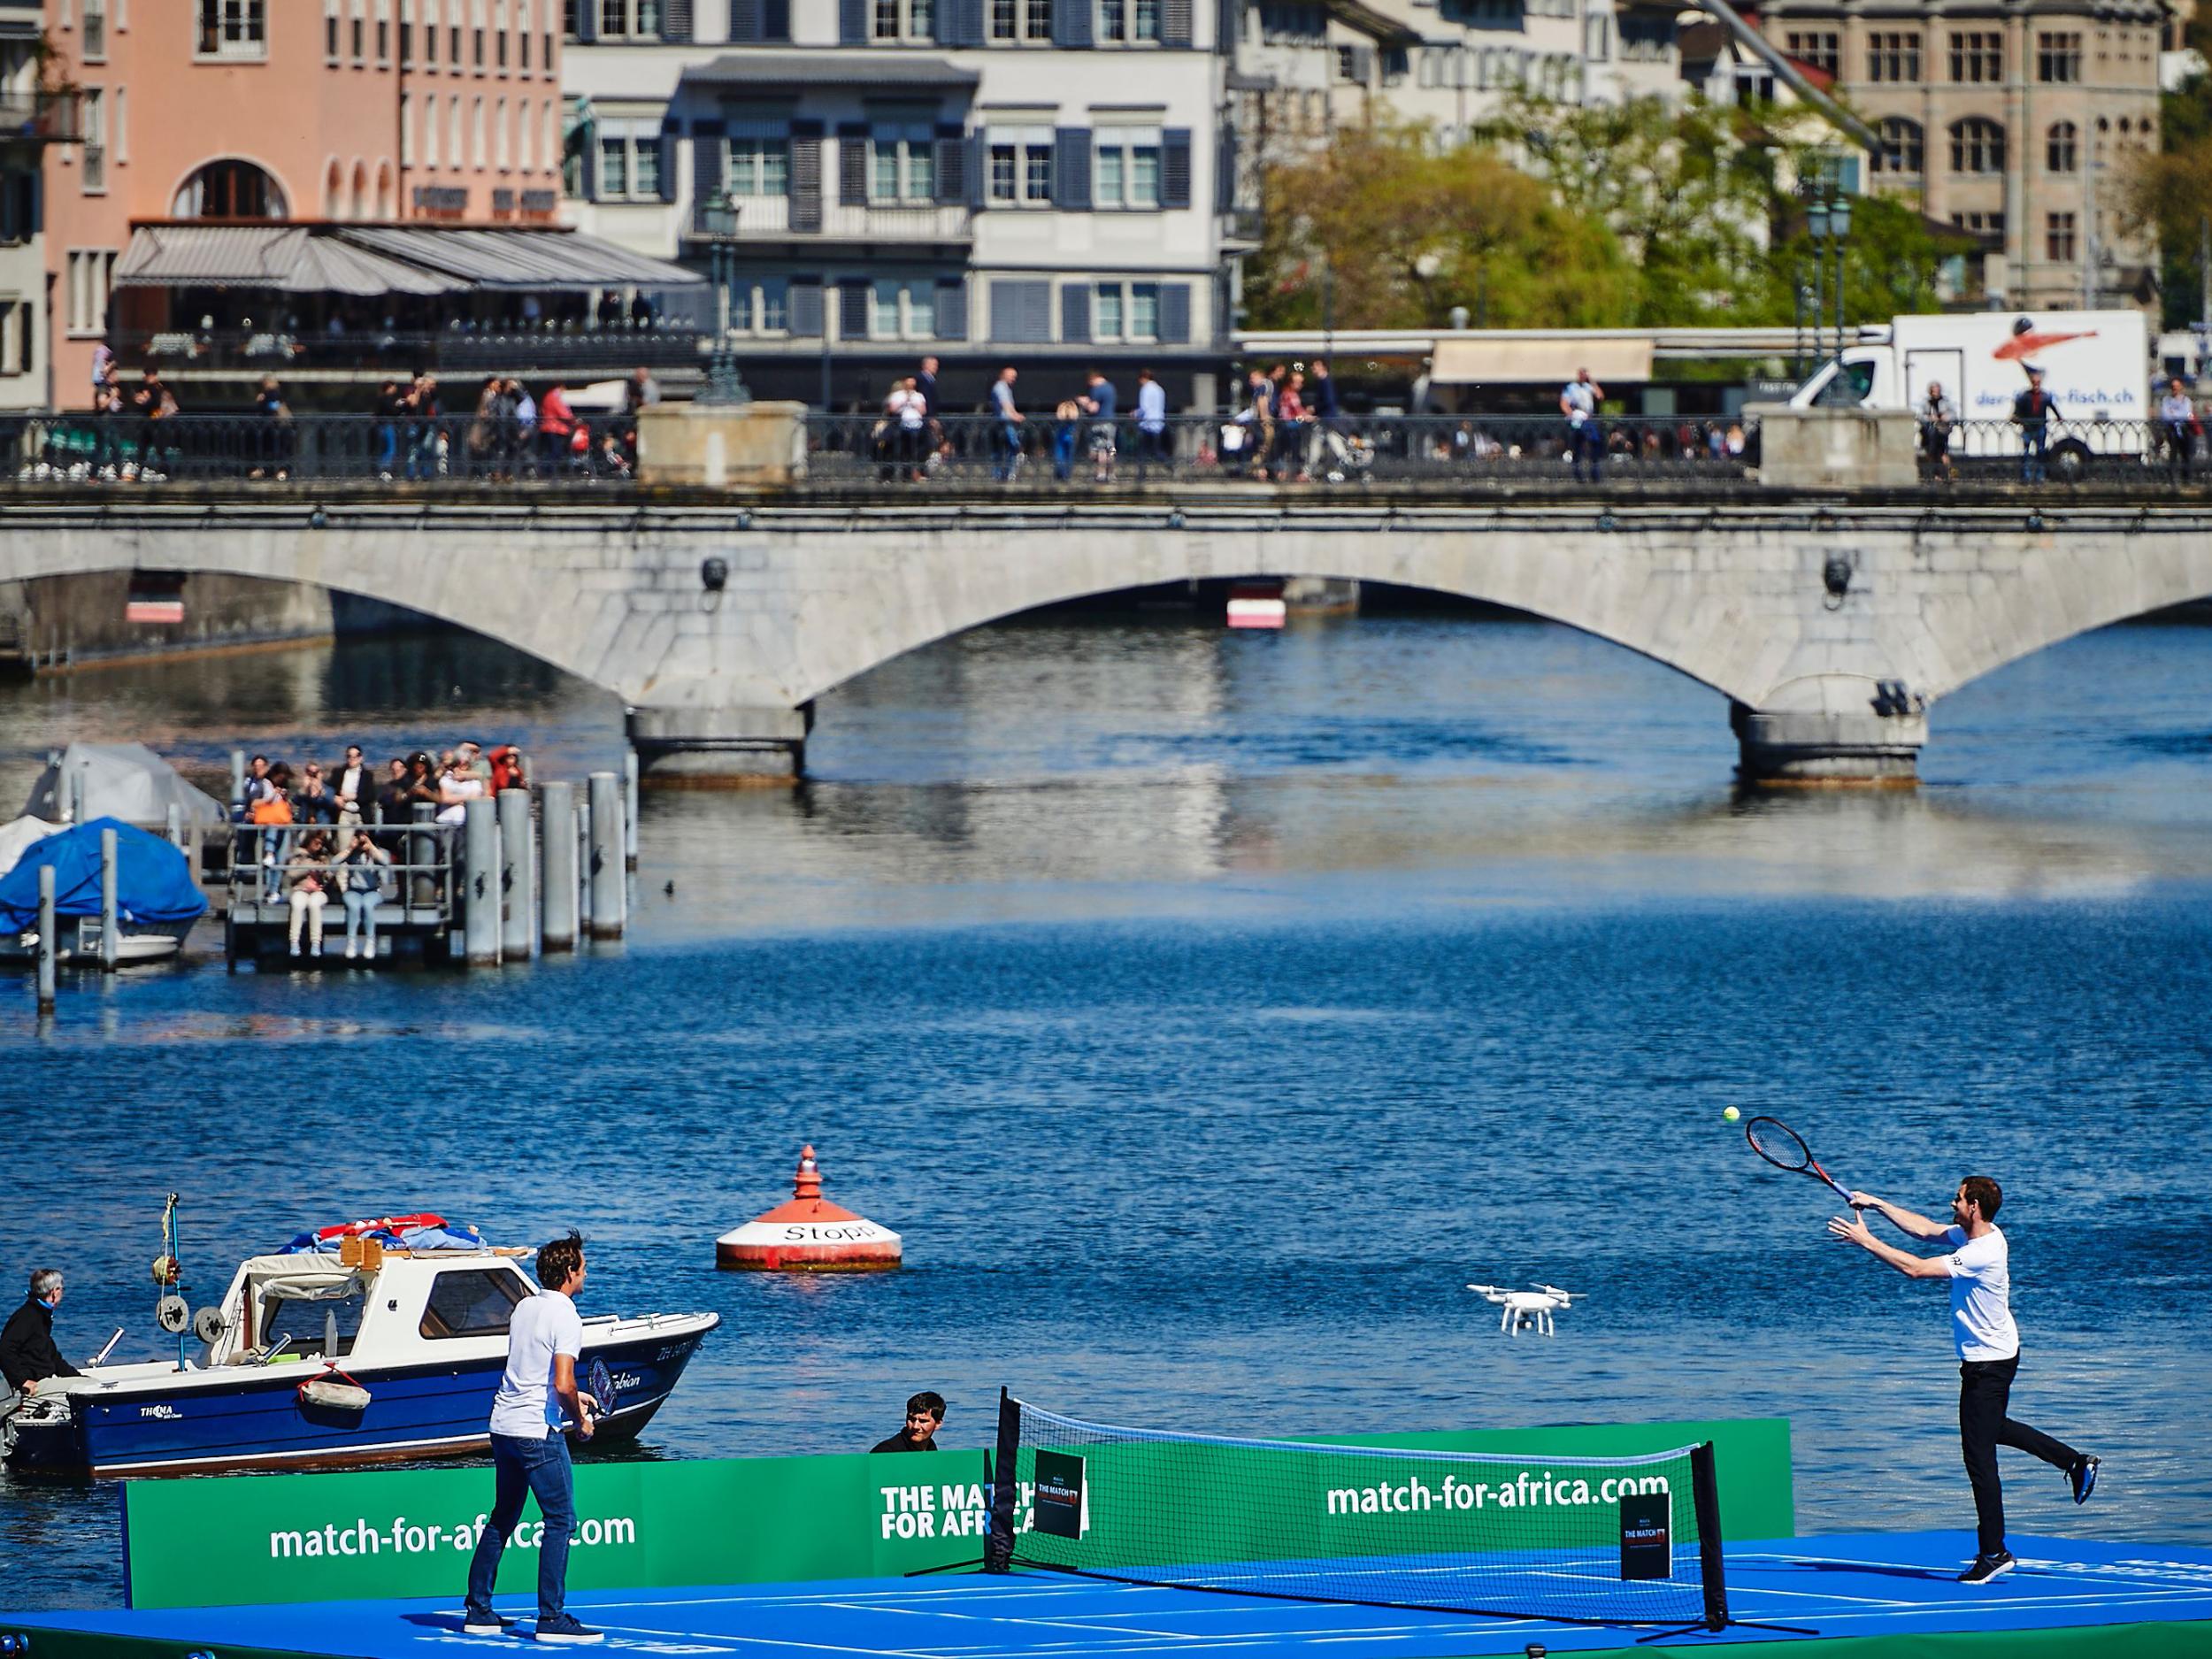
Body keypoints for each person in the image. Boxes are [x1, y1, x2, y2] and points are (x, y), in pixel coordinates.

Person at [1828, 1175, 2098, 1585]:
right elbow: (1925, 1230)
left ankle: (1993, 1551)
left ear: (1974, 1207)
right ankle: (2075, 1462)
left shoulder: (1982, 1252)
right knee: (1994, 1429)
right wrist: (1877, 1204)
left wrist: (1866, 1240)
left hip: (1987, 1365)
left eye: (1957, 1199)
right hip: (1998, 1355)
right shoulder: (1981, 1234)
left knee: (1979, 1459)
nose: (1951, 1203)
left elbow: (1916, 1269)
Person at [463, 1232, 602, 1643]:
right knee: (561, 1520)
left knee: (503, 1517)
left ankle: (478, 1610)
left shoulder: (524, 1306)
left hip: (503, 1426)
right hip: (536, 1433)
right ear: (570, 1273)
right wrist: (580, 1420)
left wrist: (577, 1397)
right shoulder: (567, 1316)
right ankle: (552, 1618)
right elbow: (561, 1383)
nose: (586, 1272)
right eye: (583, 1266)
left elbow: (536, 1371)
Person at [0, 1269, 81, 1398]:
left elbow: (53, 1357)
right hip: (34, 1385)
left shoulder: (41, 1315)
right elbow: (4, 1349)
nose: (62, 1293)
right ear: (54, 1292)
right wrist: (22, 1381)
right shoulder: (28, 1316)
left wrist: (78, 1377)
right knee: (87, 1387)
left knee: (88, 1384)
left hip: (43, 1378)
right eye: (61, 1289)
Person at [336, 827, 391, 961]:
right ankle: (351, 942)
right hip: (353, 890)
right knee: (354, 907)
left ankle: (370, 942)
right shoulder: (352, 854)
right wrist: (350, 848)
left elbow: (386, 862)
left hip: (372, 891)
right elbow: (334, 862)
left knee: (367, 905)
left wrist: (371, 847)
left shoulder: (379, 852)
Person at [285, 830, 334, 958]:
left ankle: (316, 943)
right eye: (316, 842)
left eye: (321, 843)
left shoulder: (324, 857)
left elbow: (331, 878)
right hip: (300, 889)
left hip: (318, 892)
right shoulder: (298, 855)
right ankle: (294, 942)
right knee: (298, 904)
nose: (319, 846)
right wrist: (309, 866)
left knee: (314, 904)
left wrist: (324, 871)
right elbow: (291, 874)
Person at [2012, 368, 2058, 484]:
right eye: (2034, 382)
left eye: (2038, 383)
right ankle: (2026, 477)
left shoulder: (2045, 396)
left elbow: (2053, 407)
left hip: (2040, 428)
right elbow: (2017, 410)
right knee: (2026, 454)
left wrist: (2059, 417)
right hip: (2027, 428)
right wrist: (2015, 417)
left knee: (2040, 453)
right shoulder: (2025, 396)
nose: (2036, 385)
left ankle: (2039, 477)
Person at [1561, 366, 1603, 483]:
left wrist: (1592, 381)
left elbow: (1600, 396)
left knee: (1595, 441)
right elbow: (1564, 404)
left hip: (1588, 419)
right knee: (1578, 445)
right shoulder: (1570, 388)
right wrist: (1572, 415)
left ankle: (1594, 472)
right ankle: (1578, 474)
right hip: (1577, 419)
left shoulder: (1589, 387)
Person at [870, 1391, 946, 1454]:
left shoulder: (931, 1448)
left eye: (923, 1421)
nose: (915, 1426)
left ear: (938, 1424)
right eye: (911, 1419)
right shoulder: (886, 1451)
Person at [2158, 376, 2196, 484]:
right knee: (2172, 454)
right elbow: (2165, 416)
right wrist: (2177, 415)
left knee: (2186, 454)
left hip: (2184, 430)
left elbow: (2187, 415)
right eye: (2173, 387)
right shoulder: (2166, 400)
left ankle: (2187, 479)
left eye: (2177, 387)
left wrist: (2174, 413)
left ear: (2181, 387)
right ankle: (2171, 478)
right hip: (2171, 430)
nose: (2175, 389)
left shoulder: (2186, 401)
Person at [989, 365, 1024, 482]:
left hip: (1007, 422)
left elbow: (1009, 406)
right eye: (1011, 376)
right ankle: (1000, 474)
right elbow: (1005, 405)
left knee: (1009, 447)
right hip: (1003, 423)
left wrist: (1015, 414)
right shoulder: (1000, 387)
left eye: (1015, 377)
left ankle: (1006, 473)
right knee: (1011, 445)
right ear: (1004, 375)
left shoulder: (1007, 388)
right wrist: (1015, 416)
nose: (1013, 379)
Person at [1081, 369, 1117, 484]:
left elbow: (1093, 408)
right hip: (1110, 421)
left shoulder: (1097, 390)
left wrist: (1084, 403)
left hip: (1099, 422)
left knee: (1101, 449)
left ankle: (1101, 474)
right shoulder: (1111, 387)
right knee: (1110, 448)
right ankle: (1111, 474)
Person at [1134, 367, 1169, 480]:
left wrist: (1135, 414)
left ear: (1143, 378)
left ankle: (1141, 474)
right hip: (1158, 423)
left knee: (1142, 450)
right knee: (1157, 448)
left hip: (1147, 423)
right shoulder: (1160, 389)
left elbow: (1144, 407)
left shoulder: (1145, 389)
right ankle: (1169, 465)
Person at [1919, 381, 1958, 483]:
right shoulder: (1926, 402)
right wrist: (1929, 418)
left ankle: (1953, 474)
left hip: (1941, 430)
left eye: (1938, 390)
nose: (1936, 392)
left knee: (1943, 453)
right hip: (1929, 432)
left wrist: (1946, 417)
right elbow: (1920, 416)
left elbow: (1954, 414)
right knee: (1931, 453)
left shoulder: (1945, 401)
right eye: (1934, 390)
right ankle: (1936, 475)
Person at [332, 745, 373, 826]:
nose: (352, 759)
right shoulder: (338, 773)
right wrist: (335, 798)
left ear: (361, 758)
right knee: (344, 838)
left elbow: (371, 796)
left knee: (363, 838)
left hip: (361, 814)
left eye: (356, 756)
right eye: (349, 756)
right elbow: (330, 789)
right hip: (344, 813)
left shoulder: (367, 775)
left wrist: (354, 797)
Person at [292, 762, 340, 826]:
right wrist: (305, 789)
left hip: (321, 825)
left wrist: (320, 789)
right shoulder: (305, 790)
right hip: (305, 824)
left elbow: (331, 803)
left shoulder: (328, 789)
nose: (313, 776)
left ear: (321, 774)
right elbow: (295, 801)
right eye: (309, 772)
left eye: (316, 772)